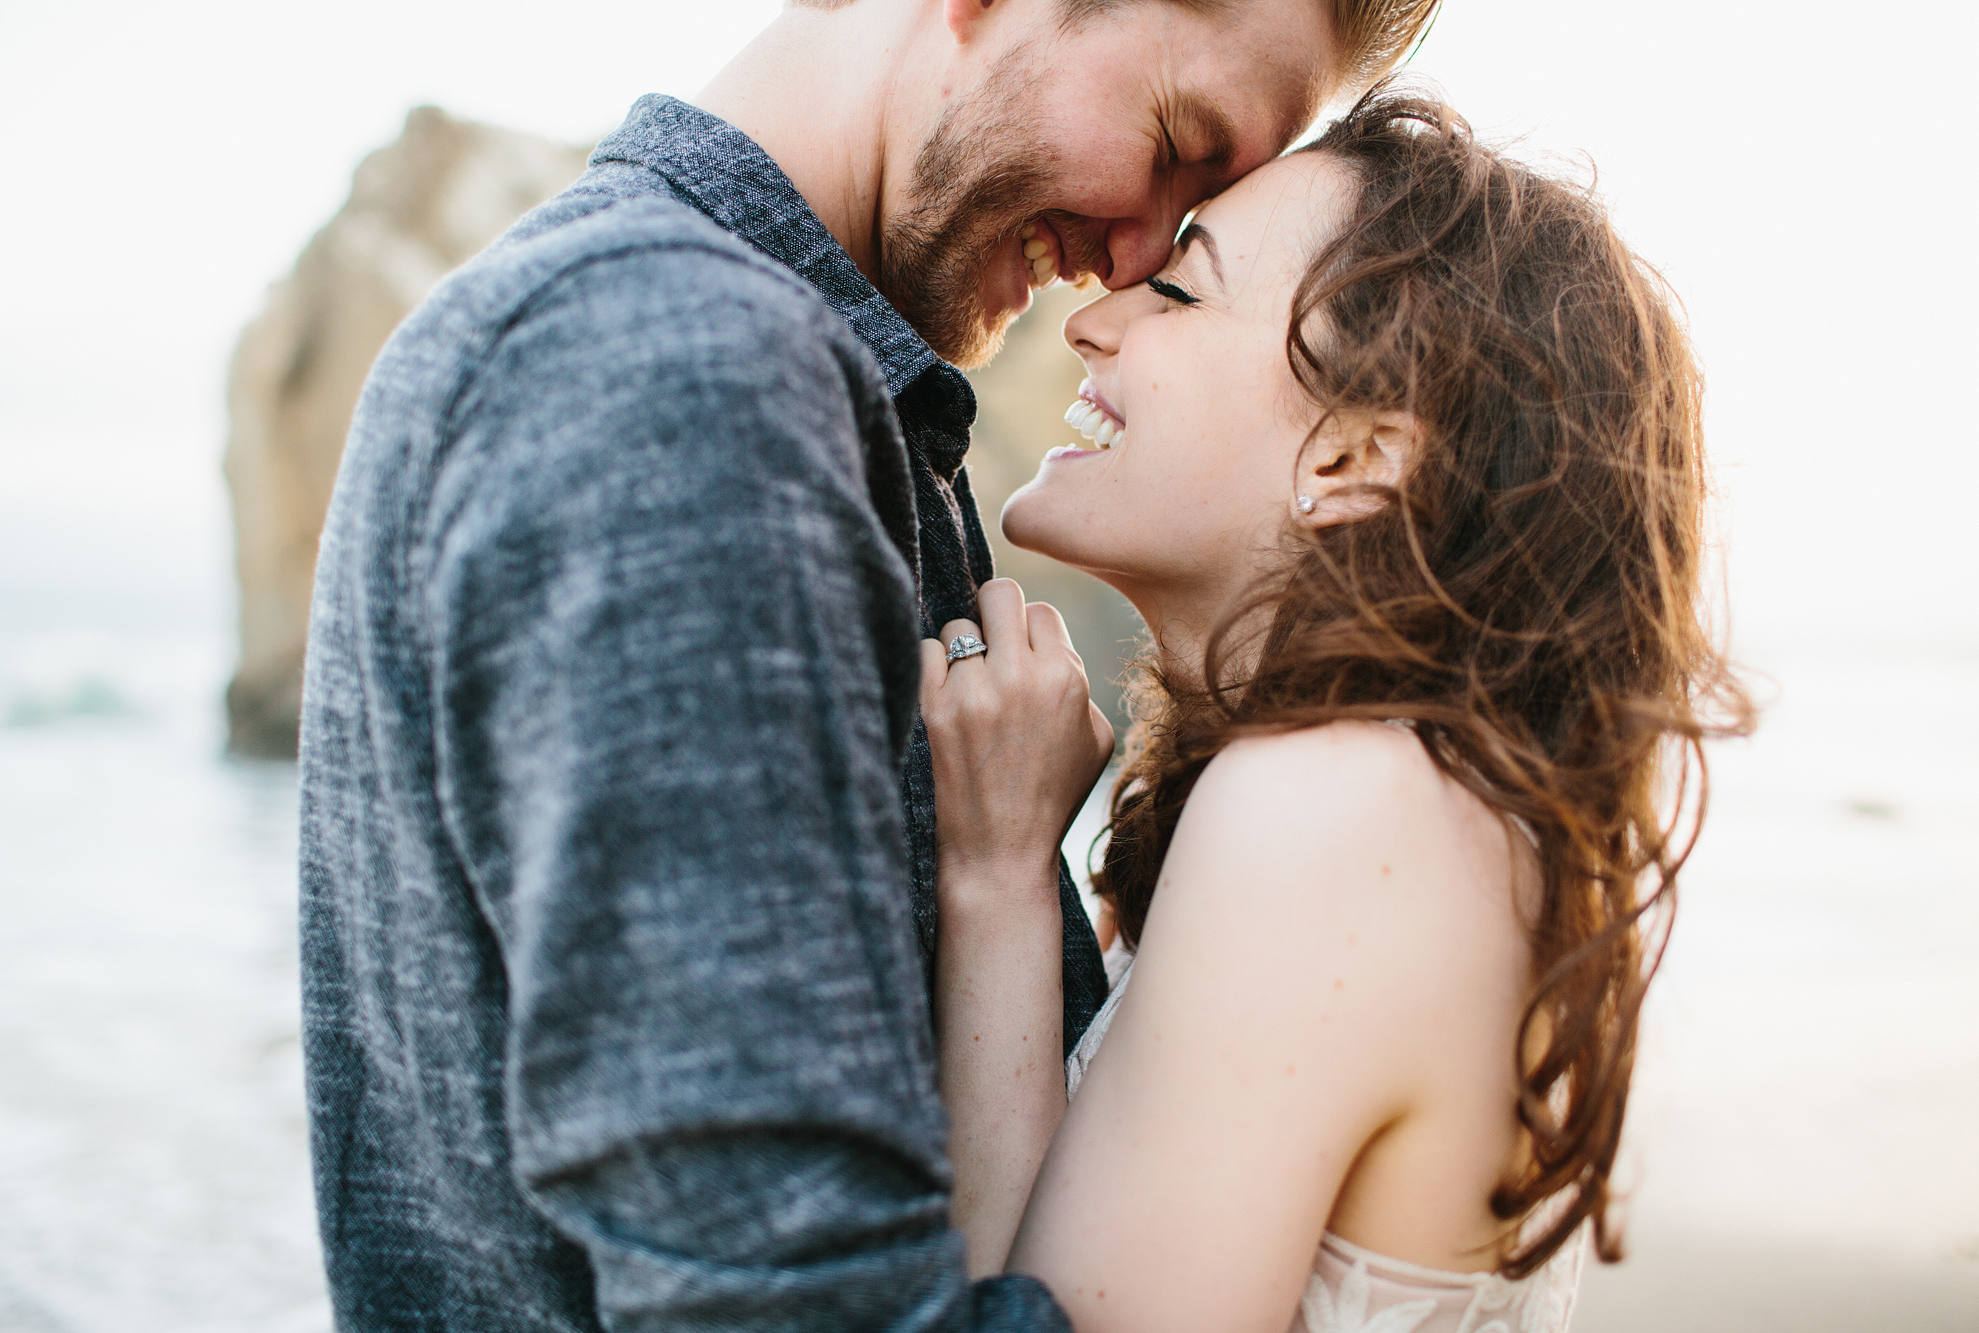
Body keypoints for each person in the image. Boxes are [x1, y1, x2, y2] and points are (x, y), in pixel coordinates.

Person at [296, 0, 1444, 1328]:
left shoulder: (788, 377)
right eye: (1177, 138)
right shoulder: (683, 372)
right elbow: (791, 1302)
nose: (1132, 260)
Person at [920, 91, 1753, 1331]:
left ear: (1353, 458)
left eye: (1182, 293)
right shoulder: (1394, 803)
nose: (1092, 321)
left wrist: (992, 879)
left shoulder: (1334, 811)